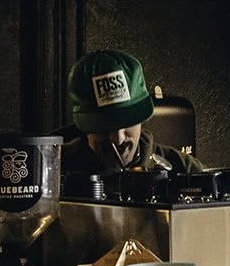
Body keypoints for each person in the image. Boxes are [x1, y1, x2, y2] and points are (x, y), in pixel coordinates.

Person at [60, 48, 204, 200]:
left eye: (127, 122)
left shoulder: (185, 170)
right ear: (85, 126)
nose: (118, 139)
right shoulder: (51, 173)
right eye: (104, 127)